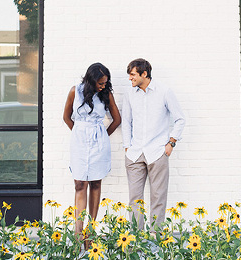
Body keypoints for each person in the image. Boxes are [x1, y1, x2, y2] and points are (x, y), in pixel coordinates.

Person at [122, 58, 186, 231]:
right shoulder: (129, 94)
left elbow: (179, 118)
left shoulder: (164, 91)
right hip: (134, 153)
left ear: (144, 74)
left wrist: (171, 143)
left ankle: (157, 238)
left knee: (158, 197)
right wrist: (127, 146)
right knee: (135, 198)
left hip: (157, 152)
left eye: (133, 74)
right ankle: (136, 238)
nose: (130, 78)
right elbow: (126, 121)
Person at [63, 62, 122, 241]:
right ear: (91, 80)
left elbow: (116, 119)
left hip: (98, 142)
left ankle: (91, 230)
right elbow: (66, 117)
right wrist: (79, 132)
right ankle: (78, 232)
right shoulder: (75, 91)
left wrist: (103, 135)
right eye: (100, 83)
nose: (103, 86)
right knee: (80, 184)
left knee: (96, 183)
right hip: (79, 141)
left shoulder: (106, 94)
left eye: (105, 83)